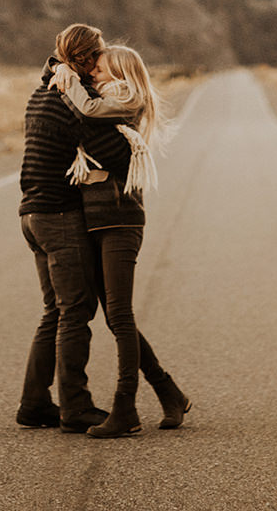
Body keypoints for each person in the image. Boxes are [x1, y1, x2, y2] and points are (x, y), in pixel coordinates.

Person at [51, 44, 192, 437]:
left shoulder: (123, 103)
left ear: (120, 73)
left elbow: (86, 118)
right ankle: (169, 392)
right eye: (91, 66)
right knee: (115, 316)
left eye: (100, 66)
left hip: (119, 221)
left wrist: (67, 83)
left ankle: (125, 406)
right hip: (93, 220)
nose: (93, 71)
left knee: (120, 313)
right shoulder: (102, 101)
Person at [17, 23, 109, 433]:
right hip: (59, 215)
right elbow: (108, 150)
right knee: (76, 310)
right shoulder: (73, 99)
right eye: (101, 56)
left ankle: (35, 404)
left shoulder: (41, 93)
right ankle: (76, 407)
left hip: (30, 214)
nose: (104, 62)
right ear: (87, 59)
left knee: (54, 310)